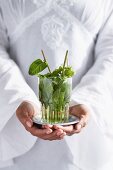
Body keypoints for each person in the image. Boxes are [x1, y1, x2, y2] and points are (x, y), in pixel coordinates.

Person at [0, 0, 113, 169]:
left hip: (87, 128)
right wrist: (20, 98)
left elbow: (110, 49)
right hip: (16, 124)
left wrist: (86, 98)